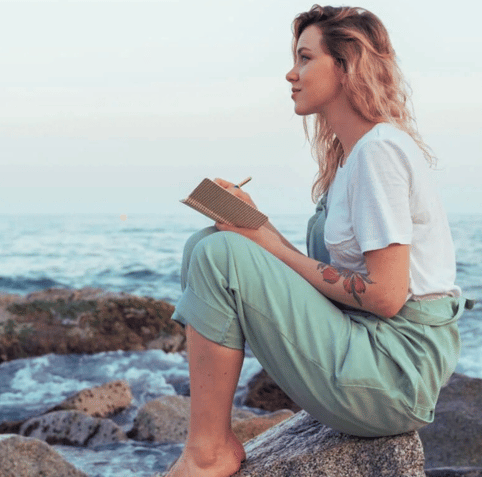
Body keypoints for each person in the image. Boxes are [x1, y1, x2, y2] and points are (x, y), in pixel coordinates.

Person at [164, 5, 474, 477]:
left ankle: (208, 451)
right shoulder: (354, 158)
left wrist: (260, 245)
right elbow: (319, 275)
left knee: (217, 254)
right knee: (206, 244)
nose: (291, 73)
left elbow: (387, 296)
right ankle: (210, 443)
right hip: (372, 351)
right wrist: (254, 226)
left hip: (394, 371)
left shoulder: (379, 152)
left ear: (346, 67)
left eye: (306, 58)